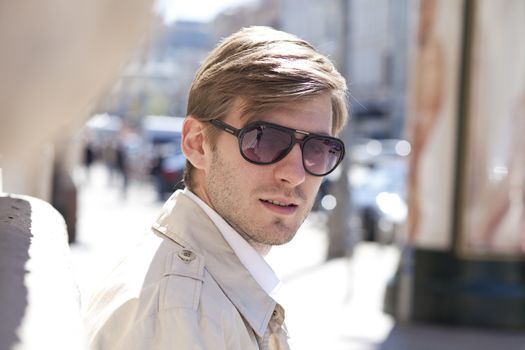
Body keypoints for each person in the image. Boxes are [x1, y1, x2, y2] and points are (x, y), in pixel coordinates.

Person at [84, 26, 348, 350]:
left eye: (319, 148)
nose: (294, 174)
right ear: (197, 143)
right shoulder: (181, 316)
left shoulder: (201, 298)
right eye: (264, 140)